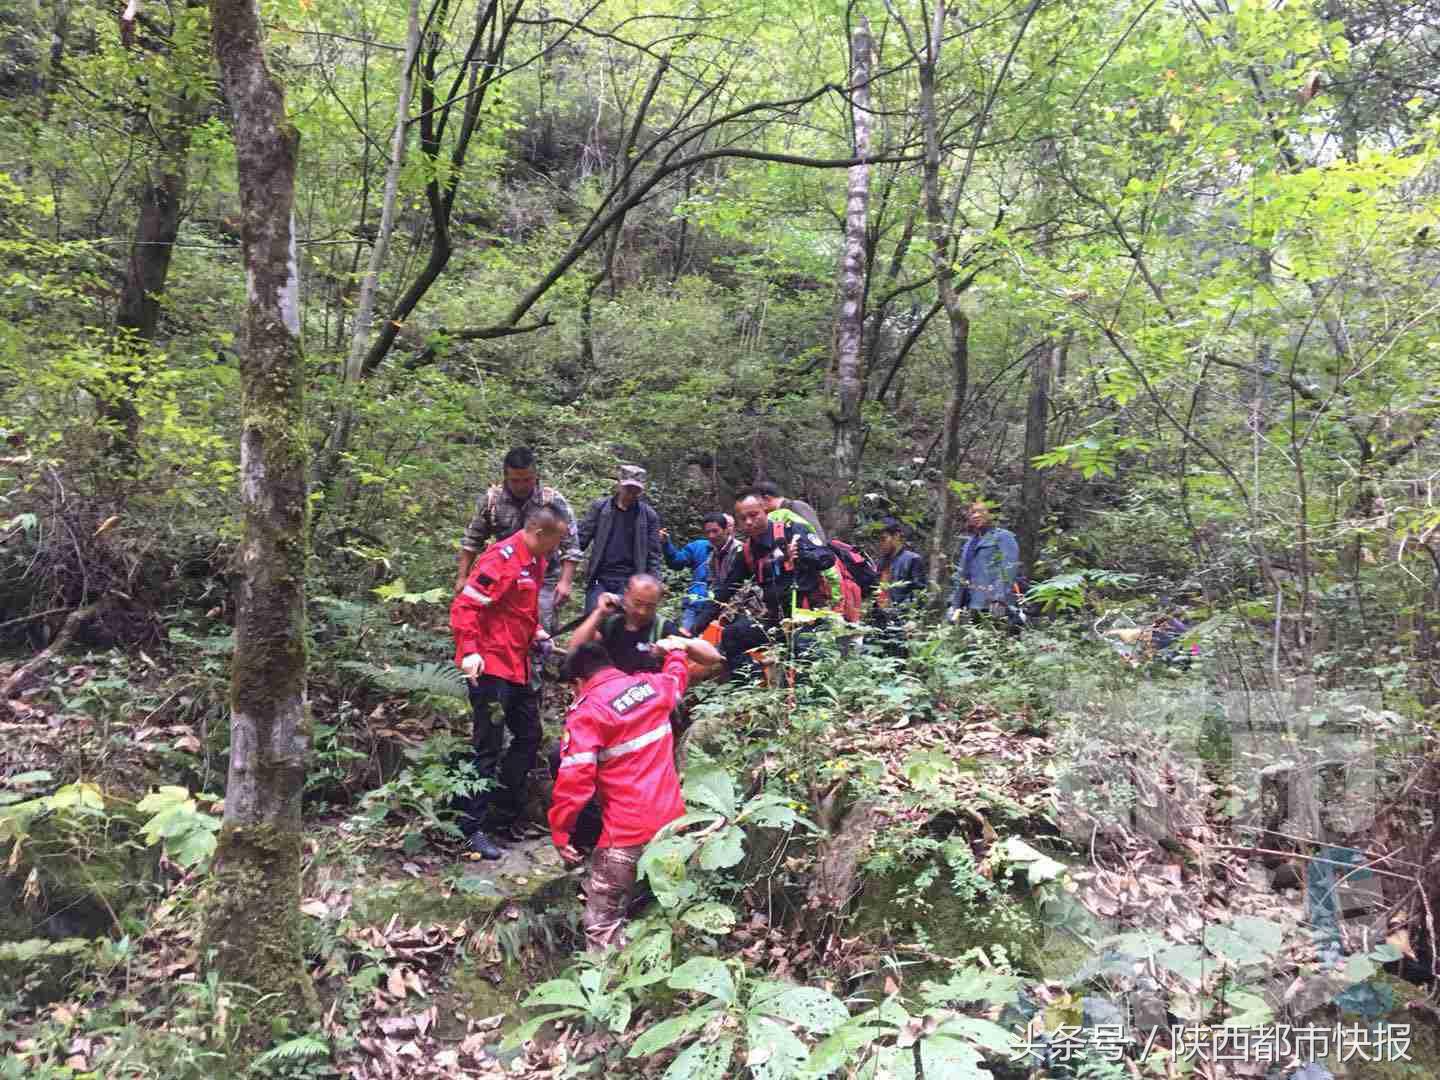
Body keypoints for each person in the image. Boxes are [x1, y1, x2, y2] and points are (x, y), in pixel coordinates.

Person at [549, 637, 717, 950]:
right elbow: (678, 676)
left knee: (602, 926)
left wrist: (560, 831)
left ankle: (607, 991)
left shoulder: (587, 713)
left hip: (625, 836)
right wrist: (677, 650)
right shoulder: (652, 687)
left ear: (579, 681)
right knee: (669, 910)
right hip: (673, 826)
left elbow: (574, 781)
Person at [450, 504, 571, 860]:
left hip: (516, 665)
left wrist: (538, 632)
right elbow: (465, 607)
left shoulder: (535, 561)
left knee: (529, 735)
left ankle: (501, 812)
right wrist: (470, 650)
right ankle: (469, 828)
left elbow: (519, 609)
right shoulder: (499, 559)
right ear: (538, 533)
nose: (557, 548)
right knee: (487, 745)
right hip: (489, 665)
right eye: (555, 540)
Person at [691, 491, 837, 678]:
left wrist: (802, 555)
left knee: (803, 665)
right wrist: (694, 628)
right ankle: (752, 684)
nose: (749, 522)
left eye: (754, 515)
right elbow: (725, 591)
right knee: (733, 635)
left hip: (808, 617)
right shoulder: (747, 551)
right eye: (743, 518)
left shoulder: (792, 530)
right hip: (776, 620)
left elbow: (827, 558)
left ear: (765, 511)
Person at [456, 446, 581, 633]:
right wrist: (462, 577)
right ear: (505, 477)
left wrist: (565, 582)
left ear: (536, 475)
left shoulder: (552, 501)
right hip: (503, 576)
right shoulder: (492, 501)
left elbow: (570, 545)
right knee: (499, 628)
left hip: (544, 578)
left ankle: (537, 662)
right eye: (515, 480)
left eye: (527, 479)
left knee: (539, 628)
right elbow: (472, 541)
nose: (522, 486)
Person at [577, 463, 663, 613]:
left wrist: (653, 582)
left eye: (636, 490)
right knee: (593, 622)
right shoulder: (601, 508)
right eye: (628, 488)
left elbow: (653, 554)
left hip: (630, 582)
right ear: (619, 485)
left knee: (623, 626)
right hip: (600, 577)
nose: (631, 493)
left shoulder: (648, 516)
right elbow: (581, 539)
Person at [946, 501, 1021, 626]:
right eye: (972, 513)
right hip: (969, 605)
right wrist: (954, 603)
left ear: (991, 515)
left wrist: (999, 599)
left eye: (981, 511)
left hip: (991, 603)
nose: (976, 516)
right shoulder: (969, 543)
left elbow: (1008, 569)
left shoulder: (1003, 537)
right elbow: (961, 574)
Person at [660, 513, 733, 633]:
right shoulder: (699, 547)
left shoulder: (739, 551)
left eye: (716, 531)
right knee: (684, 639)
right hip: (695, 605)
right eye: (708, 531)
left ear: (727, 529)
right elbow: (676, 562)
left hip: (722, 610)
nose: (712, 536)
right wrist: (666, 543)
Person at [753, 480, 826, 543]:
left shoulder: (797, 506)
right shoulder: (774, 516)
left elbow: (818, 536)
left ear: (767, 498)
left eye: (758, 503)